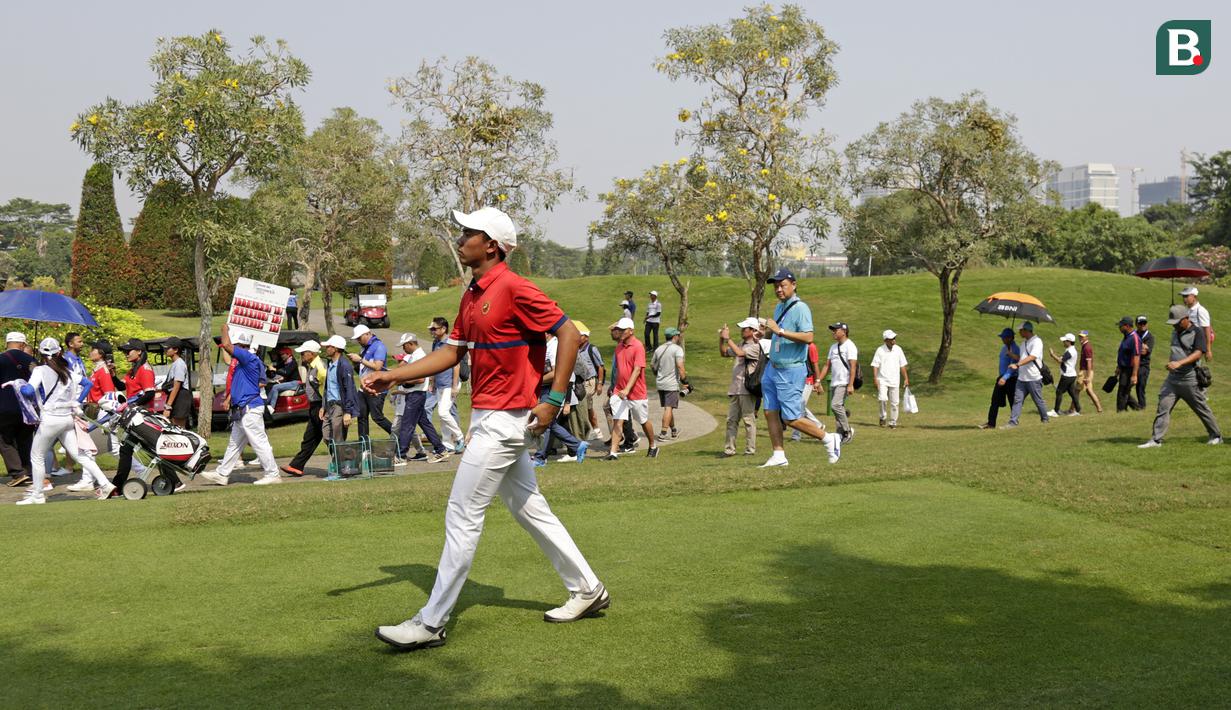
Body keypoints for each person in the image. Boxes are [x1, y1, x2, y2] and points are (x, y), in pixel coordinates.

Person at [364, 205, 606, 651]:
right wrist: (392, 375)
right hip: (493, 417)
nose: (460, 241)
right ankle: (588, 589)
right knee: (530, 509)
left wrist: (554, 398)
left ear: (491, 244)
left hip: (506, 421)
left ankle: (431, 622)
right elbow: (453, 352)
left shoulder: (514, 287)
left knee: (462, 514)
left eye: (467, 233)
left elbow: (568, 334)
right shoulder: (472, 293)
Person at [16, 338, 113, 505]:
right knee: (79, 455)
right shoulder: (65, 370)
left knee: (36, 456)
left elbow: (28, 392)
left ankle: (38, 495)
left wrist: (18, 384)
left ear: (41, 353)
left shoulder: (40, 370)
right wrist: (77, 401)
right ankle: (105, 483)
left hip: (50, 419)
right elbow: (87, 383)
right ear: (59, 352)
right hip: (67, 418)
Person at [760, 269, 841, 467]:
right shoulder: (780, 307)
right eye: (776, 286)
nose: (778, 289)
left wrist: (779, 330)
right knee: (770, 412)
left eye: (782, 285)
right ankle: (778, 455)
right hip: (773, 367)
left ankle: (830, 439)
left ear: (793, 285)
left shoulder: (801, 308)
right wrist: (765, 334)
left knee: (790, 418)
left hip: (791, 369)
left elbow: (808, 337)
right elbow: (779, 334)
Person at [199, 325, 281, 486]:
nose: (233, 349)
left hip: (249, 407)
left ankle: (273, 473)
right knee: (235, 444)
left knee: (259, 441)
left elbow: (228, 347)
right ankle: (222, 474)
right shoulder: (247, 360)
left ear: (241, 346)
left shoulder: (247, 358)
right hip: (244, 408)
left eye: (236, 346)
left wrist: (224, 330)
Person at [1139, 305, 1221, 448]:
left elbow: (1198, 352)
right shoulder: (1175, 332)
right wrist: (1172, 364)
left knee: (1201, 408)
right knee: (1163, 407)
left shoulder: (1197, 332)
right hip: (1172, 379)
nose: (1174, 326)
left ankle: (1216, 436)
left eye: (1177, 322)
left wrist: (1179, 363)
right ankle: (1156, 440)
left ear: (1186, 319)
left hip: (1190, 379)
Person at [108, 339, 163, 493]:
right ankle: (118, 486)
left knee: (138, 450)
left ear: (139, 351)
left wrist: (133, 405)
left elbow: (150, 393)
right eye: (125, 351)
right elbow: (123, 387)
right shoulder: (133, 370)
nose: (126, 354)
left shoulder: (145, 369)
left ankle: (117, 486)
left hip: (143, 417)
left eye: (128, 351)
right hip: (135, 416)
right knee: (129, 450)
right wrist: (113, 375)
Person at [603, 318, 657, 460]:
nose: (619, 332)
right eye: (619, 329)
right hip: (619, 391)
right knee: (618, 420)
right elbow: (618, 370)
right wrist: (614, 386)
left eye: (622, 330)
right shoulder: (619, 347)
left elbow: (637, 369)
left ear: (631, 331)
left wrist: (627, 389)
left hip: (636, 392)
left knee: (643, 420)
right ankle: (613, 452)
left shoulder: (638, 346)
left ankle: (653, 446)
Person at [532, 332, 588, 466]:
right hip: (546, 388)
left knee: (545, 421)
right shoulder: (548, 346)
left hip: (552, 389)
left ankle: (540, 458)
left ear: (546, 333)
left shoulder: (554, 346)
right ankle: (577, 445)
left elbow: (555, 372)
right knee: (549, 423)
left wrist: (535, 381)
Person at [395, 333, 448, 463]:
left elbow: (420, 378)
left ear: (410, 343)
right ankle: (441, 449)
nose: (403, 349)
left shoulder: (419, 356)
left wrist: (404, 380)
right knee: (424, 423)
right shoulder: (415, 356)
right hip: (415, 394)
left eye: (404, 346)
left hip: (416, 395)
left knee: (407, 425)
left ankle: (401, 455)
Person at [282, 340, 326, 477]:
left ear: (311, 353)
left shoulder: (320, 367)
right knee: (309, 438)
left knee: (330, 438)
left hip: (321, 406)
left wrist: (324, 407)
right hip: (314, 406)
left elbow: (327, 388)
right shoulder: (312, 365)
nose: (301, 355)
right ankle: (296, 466)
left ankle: (345, 464)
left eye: (303, 353)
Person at [719, 317, 761, 457]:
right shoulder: (741, 344)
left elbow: (740, 353)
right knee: (731, 420)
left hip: (747, 389)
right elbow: (724, 353)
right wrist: (722, 339)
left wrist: (728, 338)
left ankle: (750, 450)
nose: (742, 331)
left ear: (753, 330)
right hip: (735, 388)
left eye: (745, 328)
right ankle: (729, 450)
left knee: (748, 420)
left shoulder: (756, 346)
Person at [0, 332, 35, 487]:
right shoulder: (32, 361)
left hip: (4, 407)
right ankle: (29, 471)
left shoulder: (1, 359)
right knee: (25, 439)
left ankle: (17, 473)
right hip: (27, 408)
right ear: (22, 344)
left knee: (4, 440)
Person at [817, 322, 858, 445]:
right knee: (837, 409)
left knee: (835, 406)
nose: (833, 332)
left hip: (844, 382)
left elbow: (853, 367)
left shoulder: (850, 346)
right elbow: (826, 365)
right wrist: (818, 380)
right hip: (834, 382)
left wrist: (850, 384)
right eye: (833, 330)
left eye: (836, 330)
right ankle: (840, 434)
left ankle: (847, 430)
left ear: (844, 331)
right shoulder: (833, 347)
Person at [428, 317, 464, 454]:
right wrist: (432, 382)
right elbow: (434, 363)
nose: (432, 331)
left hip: (450, 384)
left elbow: (456, 365)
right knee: (442, 415)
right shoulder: (435, 343)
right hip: (440, 384)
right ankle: (447, 443)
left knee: (443, 412)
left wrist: (454, 386)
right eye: (431, 329)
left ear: (443, 329)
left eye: (434, 328)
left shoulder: (450, 343)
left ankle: (460, 437)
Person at [350, 324, 392, 441]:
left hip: (376, 388)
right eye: (357, 338)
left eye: (359, 338)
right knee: (361, 416)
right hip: (364, 388)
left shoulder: (379, 346)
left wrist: (360, 360)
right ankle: (363, 445)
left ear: (368, 334)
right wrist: (356, 363)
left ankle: (398, 435)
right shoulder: (364, 348)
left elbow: (378, 367)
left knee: (377, 417)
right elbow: (363, 369)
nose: (358, 340)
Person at [1002, 321, 1049, 427]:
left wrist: (1017, 365)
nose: (1019, 332)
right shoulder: (1023, 343)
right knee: (1017, 400)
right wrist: (1011, 355)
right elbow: (1022, 358)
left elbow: (1032, 357)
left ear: (1026, 330)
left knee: (1038, 400)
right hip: (1022, 378)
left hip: (1033, 377)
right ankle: (1013, 422)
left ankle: (1045, 419)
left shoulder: (1037, 341)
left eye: (1021, 330)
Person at [321, 335, 358, 450]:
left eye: (328, 346)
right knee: (326, 436)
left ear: (336, 348)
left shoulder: (345, 366)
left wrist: (348, 412)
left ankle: (342, 465)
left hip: (339, 406)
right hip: (329, 405)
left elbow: (349, 389)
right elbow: (328, 387)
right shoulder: (330, 364)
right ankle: (342, 460)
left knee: (338, 439)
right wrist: (323, 406)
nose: (326, 348)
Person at [979, 328, 1019, 429]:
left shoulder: (1016, 349)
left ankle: (1013, 422)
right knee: (995, 401)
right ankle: (991, 423)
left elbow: (1014, 365)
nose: (1002, 339)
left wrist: (1005, 377)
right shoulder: (1004, 348)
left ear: (1010, 338)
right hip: (1001, 377)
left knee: (1012, 401)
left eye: (1004, 337)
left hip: (1011, 379)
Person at [871, 330, 909, 429]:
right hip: (882, 380)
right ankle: (882, 417)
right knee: (883, 399)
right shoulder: (880, 350)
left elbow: (902, 365)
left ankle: (893, 422)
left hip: (895, 380)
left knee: (895, 402)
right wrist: (875, 378)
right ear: (886, 340)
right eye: (891, 339)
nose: (894, 341)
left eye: (894, 338)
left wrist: (906, 378)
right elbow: (875, 365)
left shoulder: (898, 349)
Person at [651, 327, 685, 440]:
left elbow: (652, 365)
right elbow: (680, 366)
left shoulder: (659, 349)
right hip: (671, 384)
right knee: (668, 408)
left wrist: (658, 375)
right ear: (675, 336)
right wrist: (685, 381)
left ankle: (674, 430)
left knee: (668, 408)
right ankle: (663, 433)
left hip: (660, 383)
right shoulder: (677, 349)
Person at [565, 321, 597, 442]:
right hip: (576, 384)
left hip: (576, 385)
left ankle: (581, 439)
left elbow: (583, 370)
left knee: (578, 415)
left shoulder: (572, 348)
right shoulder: (573, 347)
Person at [579, 325, 605, 440]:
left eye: (580, 336)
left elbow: (600, 366)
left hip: (590, 381)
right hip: (581, 382)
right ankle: (596, 430)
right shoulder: (577, 348)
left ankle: (587, 431)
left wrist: (599, 384)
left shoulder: (592, 349)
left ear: (586, 337)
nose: (578, 338)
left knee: (584, 405)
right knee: (588, 407)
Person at [1047, 334, 1082, 417]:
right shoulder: (1071, 350)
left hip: (1067, 375)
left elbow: (1060, 360)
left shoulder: (1070, 351)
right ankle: (1078, 410)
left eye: (1065, 341)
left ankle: (1056, 411)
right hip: (1071, 374)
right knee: (1072, 393)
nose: (1063, 342)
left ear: (1069, 342)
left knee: (1059, 391)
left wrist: (1052, 355)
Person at [163, 337, 192, 427]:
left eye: (168, 348)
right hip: (176, 398)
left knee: (179, 429)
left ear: (175, 350)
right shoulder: (175, 364)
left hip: (181, 398)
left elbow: (176, 386)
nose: (165, 350)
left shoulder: (179, 364)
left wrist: (168, 407)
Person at [1115, 316, 1142, 412]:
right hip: (1123, 369)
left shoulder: (1134, 338)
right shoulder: (1126, 337)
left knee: (1122, 392)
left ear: (1127, 326)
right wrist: (1119, 367)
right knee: (1125, 391)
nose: (1119, 328)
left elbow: (1137, 357)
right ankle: (1138, 409)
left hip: (1130, 370)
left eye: (1121, 326)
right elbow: (1123, 353)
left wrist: (1134, 375)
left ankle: (1120, 411)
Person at [264, 346, 301, 415]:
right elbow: (277, 368)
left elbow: (286, 372)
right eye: (281, 354)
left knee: (275, 387)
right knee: (273, 386)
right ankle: (268, 407)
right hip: (290, 382)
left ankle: (269, 406)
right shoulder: (285, 362)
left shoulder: (293, 362)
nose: (281, 356)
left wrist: (275, 370)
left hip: (296, 383)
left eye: (283, 354)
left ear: (288, 354)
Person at [1180, 287, 1212, 360]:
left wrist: (1208, 350)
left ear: (1194, 296)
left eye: (1186, 296)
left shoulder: (1201, 311)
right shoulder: (1186, 310)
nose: (1184, 299)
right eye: (1183, 296)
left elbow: (1207, 330)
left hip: (1197, 345)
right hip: (1187, 343)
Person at [1076, 330, 1104, 413]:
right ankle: (1099, 408)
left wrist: (1088, 376)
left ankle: (1072, 410)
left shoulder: (1087, 347)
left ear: (1086, 337)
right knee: (1089, 391)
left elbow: (1089, 362)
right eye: (1079, 336)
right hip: (1086, 371)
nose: (1080, 338)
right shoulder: (1085, 346)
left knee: (1076, 391)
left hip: (1085, 372)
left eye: (1082, 337)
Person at [1135, 315, 1155, 410]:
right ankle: (1134, 406)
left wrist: (1135, 345)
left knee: (1140, 387)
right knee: (1125, 386)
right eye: (1140, 323)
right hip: (1132, 364)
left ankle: (1142, 407)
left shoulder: (1150, 337)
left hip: (1143, 366)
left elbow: (1145, 352)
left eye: (1144, 323)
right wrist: (1142, 346)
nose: (1143, 325)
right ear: (1136, 324)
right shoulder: (1134, 334)